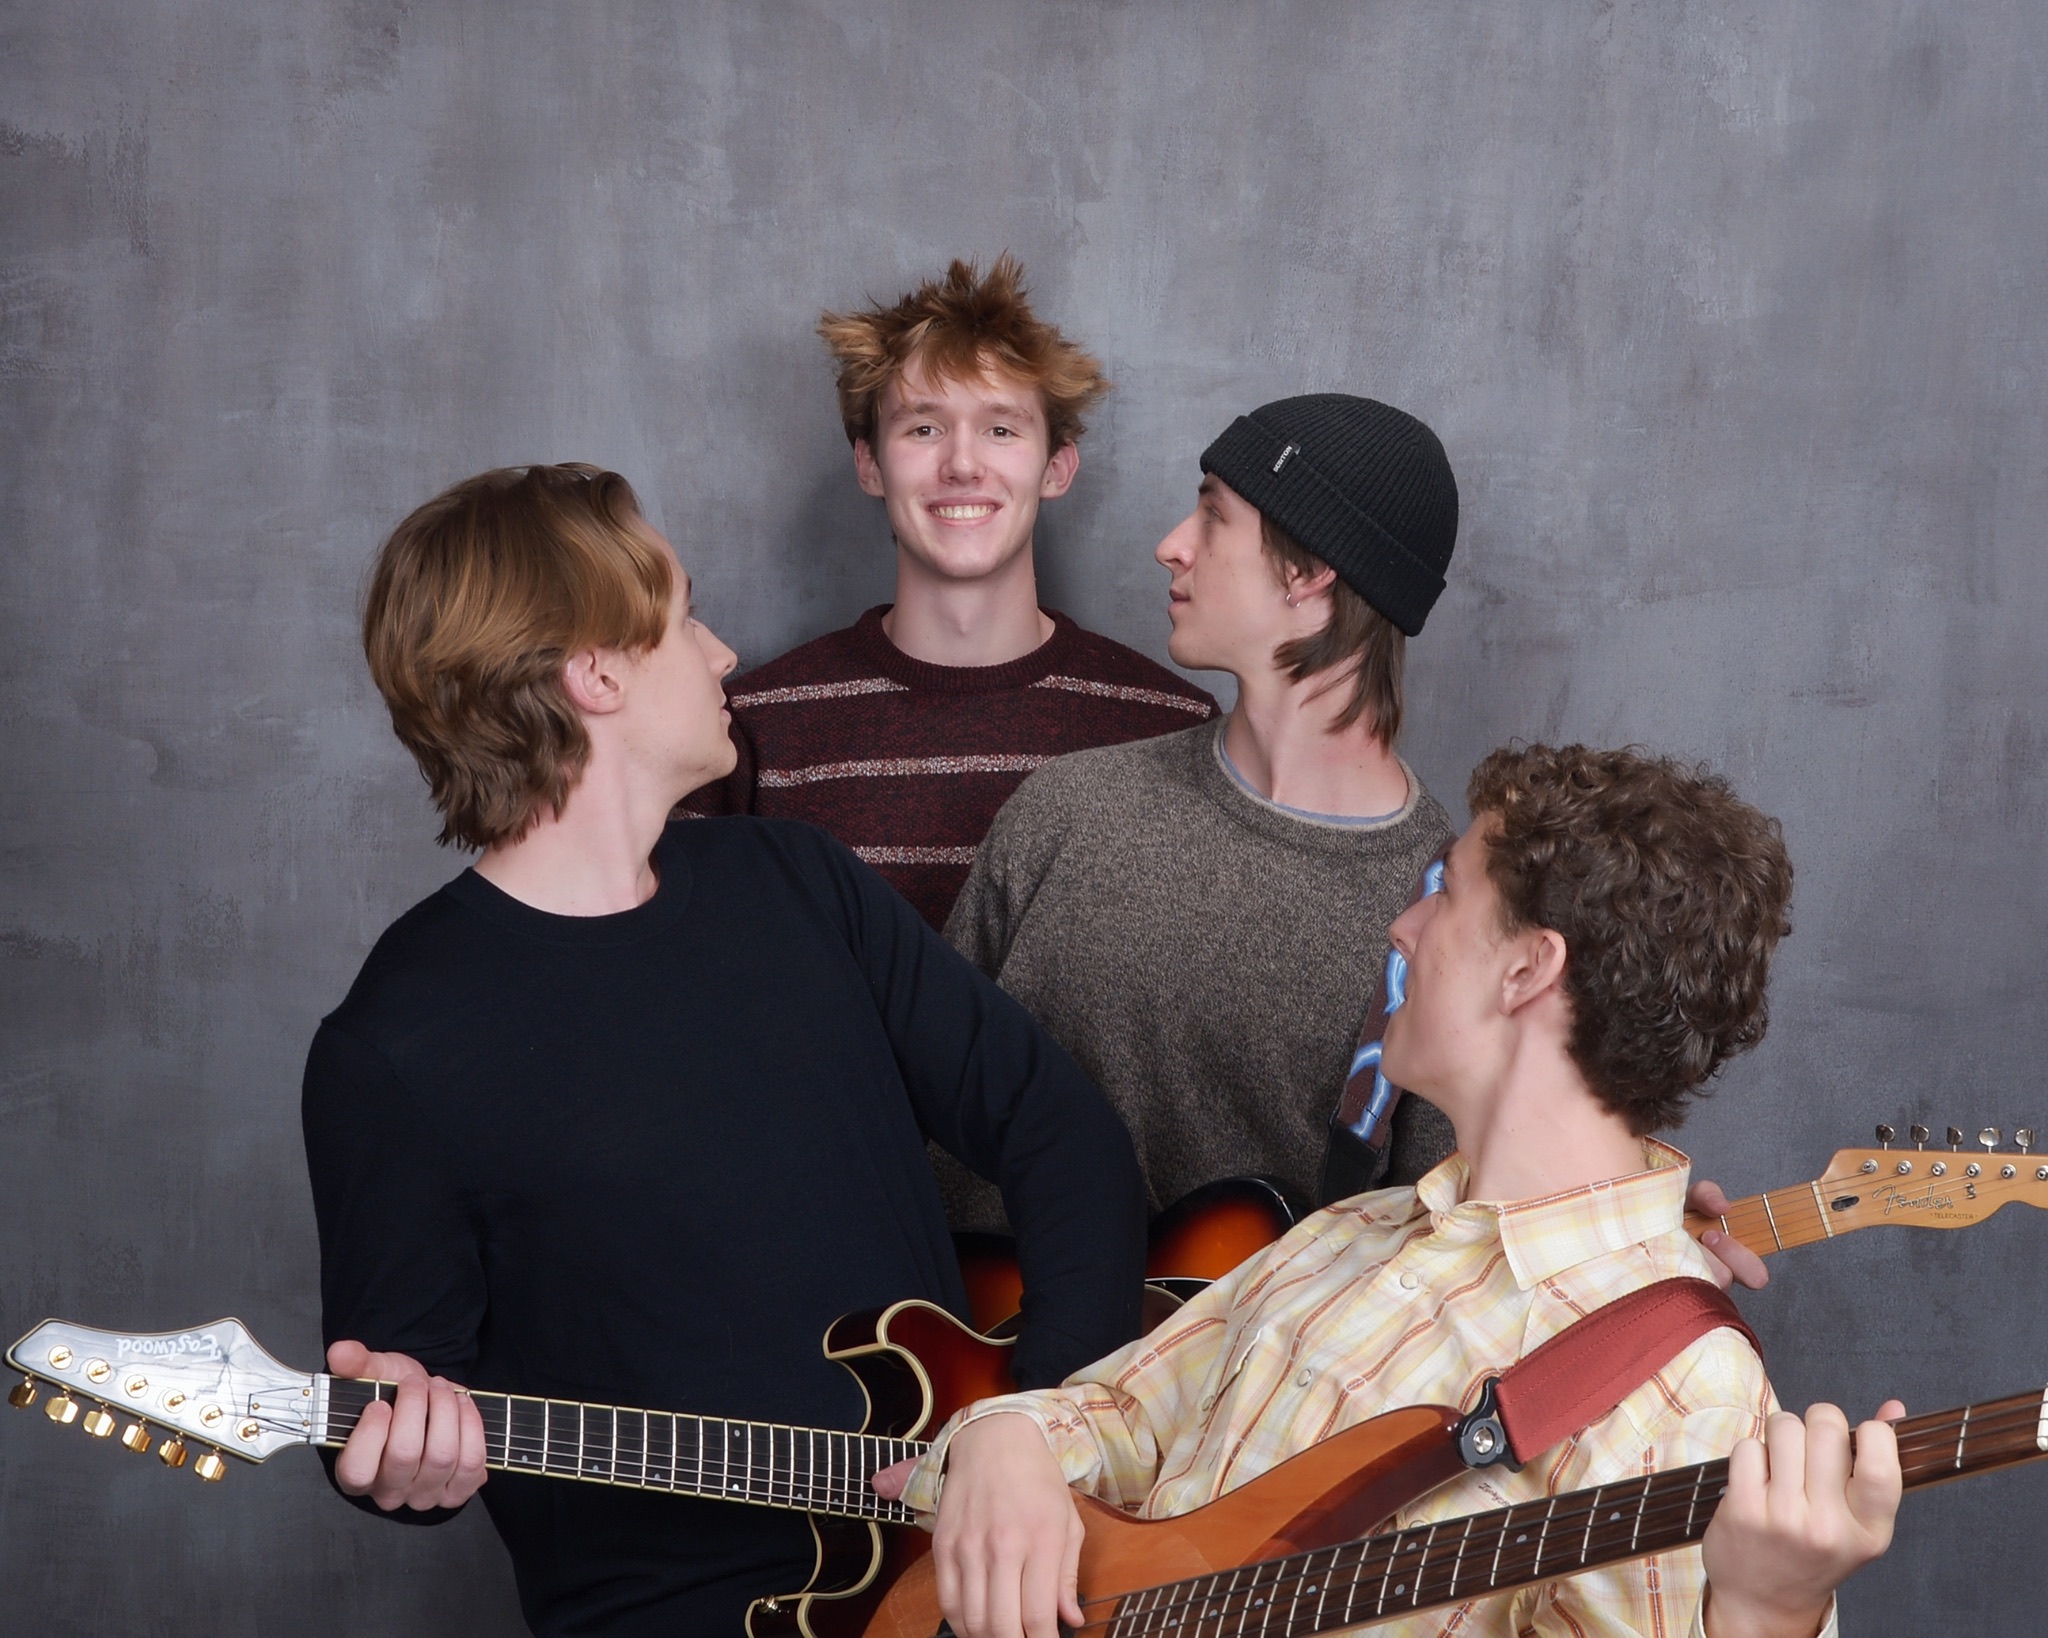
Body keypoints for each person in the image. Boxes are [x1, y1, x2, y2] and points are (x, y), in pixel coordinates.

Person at [300, 464, 1146, 1636]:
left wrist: (1032, 1425)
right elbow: (402, 1415)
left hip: (950, 1584)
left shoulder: (794, 881)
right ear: (593, 674)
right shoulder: (392, 1046)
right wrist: (404, 1467)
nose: (725, 653)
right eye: (685, 615)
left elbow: (1064, 1137)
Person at [885, 744, 1903, 1638]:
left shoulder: (1680, 1389)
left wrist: (1765, 1618)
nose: (1403, 926)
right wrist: (1006, 1444)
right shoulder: (1352, 1234)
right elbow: (1113, 1415)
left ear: (1524, 971)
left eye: (1444, 893)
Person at [935, 393, 1463, 1226]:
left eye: (1213, 517)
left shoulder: (1445, 911)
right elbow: (922, 1112)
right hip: (975, 1348)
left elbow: (1456, 1248)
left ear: (1310, 569)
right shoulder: (1066, 811)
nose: (1171, 546)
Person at [685, 254, 1216, 929]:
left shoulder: (1169, 726)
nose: (962, 464)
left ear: (1057, 467)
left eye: (1000, 429)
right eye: (923, 428)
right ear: (870, 464)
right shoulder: (750, 730)